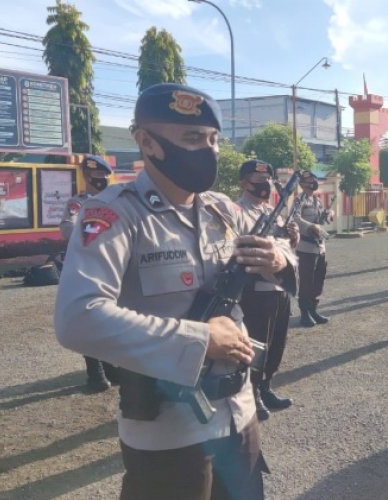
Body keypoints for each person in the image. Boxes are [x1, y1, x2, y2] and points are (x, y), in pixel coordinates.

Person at [55, 83, 297, 499]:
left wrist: (278, 258)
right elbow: (78, 317)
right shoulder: (115, 213)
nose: (209, 150)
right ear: (147, 142)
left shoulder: (222, 209)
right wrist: (202, 339)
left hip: (238, 415)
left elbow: (282, 251)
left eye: (214, 139)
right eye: (192, 138)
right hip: (169, 434)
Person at [236, 159, 299, 422]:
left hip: (278, 288)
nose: (264, 185)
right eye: (258, 179)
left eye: (267, 180)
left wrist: (292, 238)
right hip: (254, 291)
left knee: (276, 344)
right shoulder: (236, 212)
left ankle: (266, 386)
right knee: (256, 347)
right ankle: (251, 393)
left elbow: (285, 251)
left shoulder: (275, 212)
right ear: (244, 182)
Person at [58, 154, 119, 393]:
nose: (101, 180)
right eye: (96, 177)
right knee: (89, 315)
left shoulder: (117, 198)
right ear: (86, 177)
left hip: (115, 265)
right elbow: (67, 227)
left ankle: (110, 365)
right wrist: (95, 231)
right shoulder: (78, 202)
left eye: (104, 176)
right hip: (88, 267)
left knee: (113, 316)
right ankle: (96, 374)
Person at [295, 171, 332, 327]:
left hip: (319, 246)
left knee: (318, 279)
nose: (314, 182)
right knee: (306, 281)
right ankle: (304, 313)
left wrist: (329, 214)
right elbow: (295, 218)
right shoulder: (299, 199)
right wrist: (311, 227)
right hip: (306, 247)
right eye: (310, 180)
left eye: (315, 179)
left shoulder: (317, 200)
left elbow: (324, 218)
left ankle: (313, 310)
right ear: (302, 184)